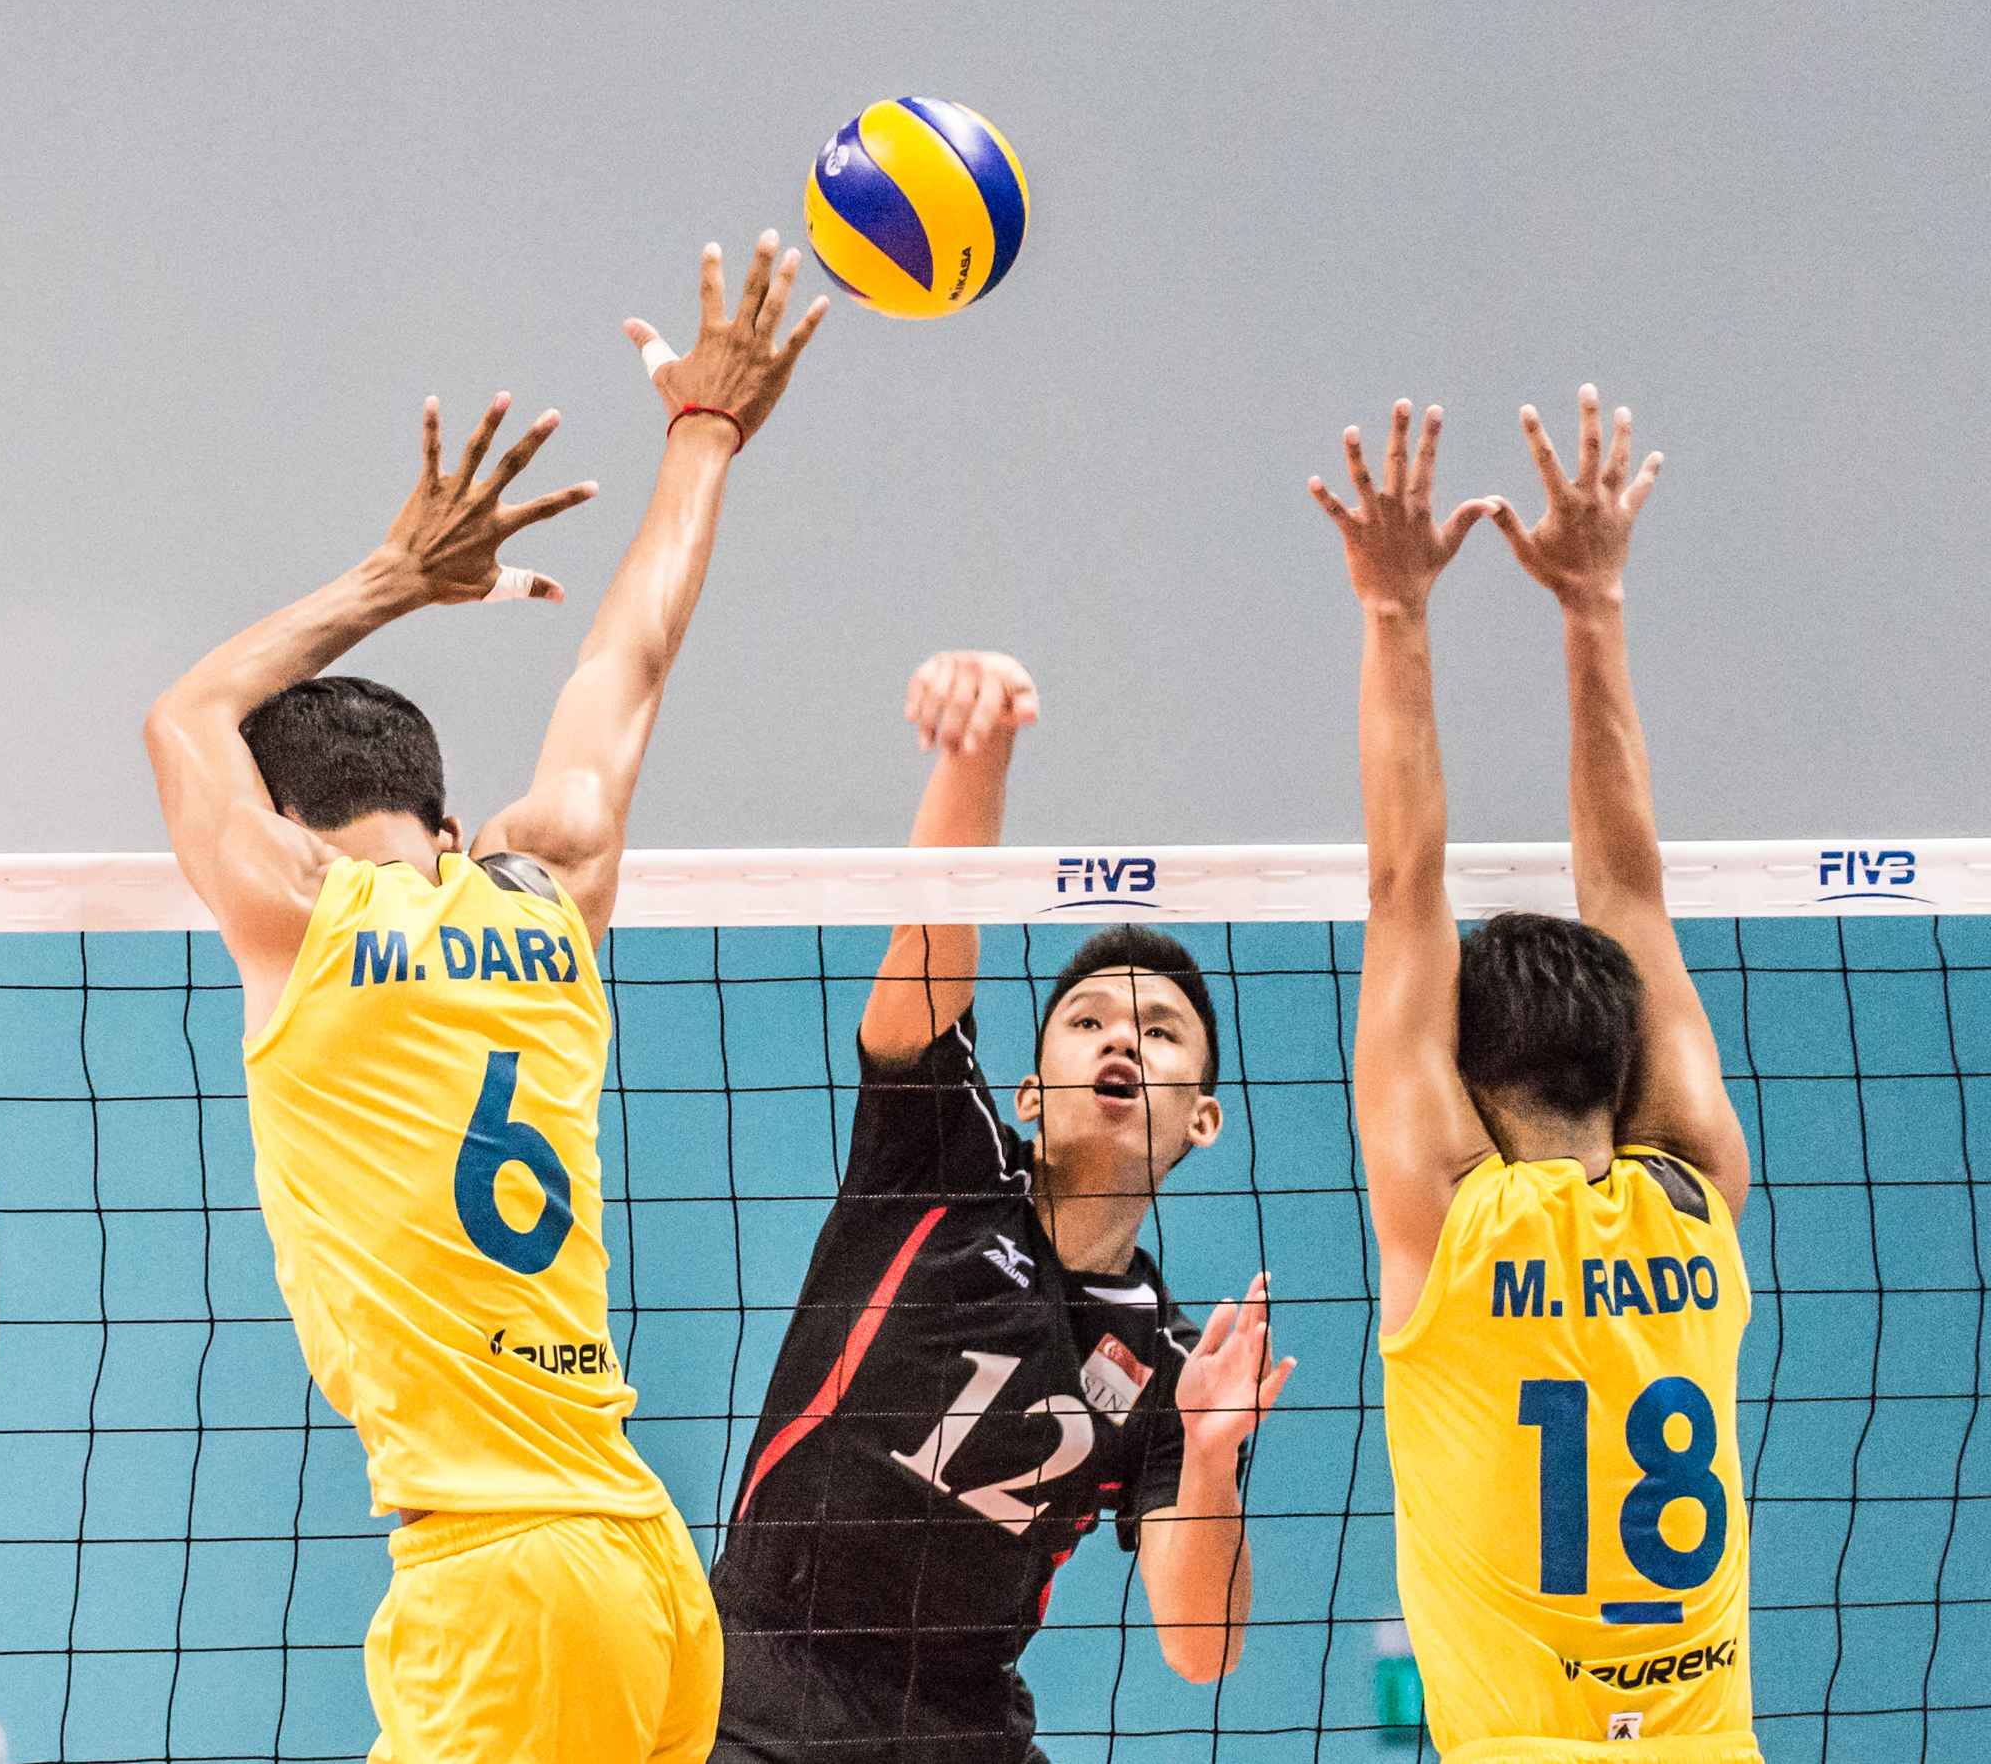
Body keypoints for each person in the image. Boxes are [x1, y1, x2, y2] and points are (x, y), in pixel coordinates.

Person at [141, 233, 827, 1764]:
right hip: (647, 1567)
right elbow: (627, 661)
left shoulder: (301, 913)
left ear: (284, 822)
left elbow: (183, 713)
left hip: (502, 1581)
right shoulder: (546, 891)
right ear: (451, 826)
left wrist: (395, 576)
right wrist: (704, 434)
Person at [709, 650, 1297, 1764]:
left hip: (965, 1727)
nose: (1123, 1036)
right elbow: (935, 938)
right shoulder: (939, 1161)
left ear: (1200, 1119)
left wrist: (1212, 1455)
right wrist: (985, 745)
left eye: (1160, 1031)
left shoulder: (1173, 1363)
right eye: (1088, 1023)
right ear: (1030, 1094)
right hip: (767, 1683)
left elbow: (1204, 1645)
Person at [1315, 390, 1761, 1762]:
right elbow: (1631, 886)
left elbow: (1404, 886)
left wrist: (1395, 609)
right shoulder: (1694, 1198)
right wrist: (1595, 599)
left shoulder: (1449, 1228)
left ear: (1459, 1071)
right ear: (1628, 1070)